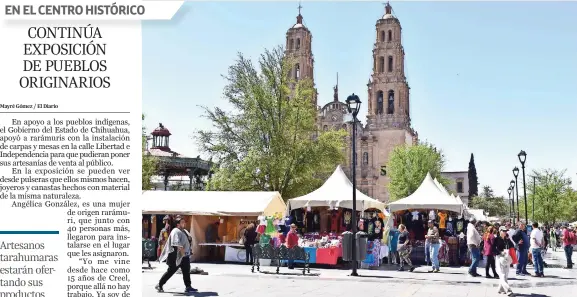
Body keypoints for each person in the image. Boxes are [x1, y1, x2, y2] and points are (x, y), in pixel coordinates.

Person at [156, 218, 197, 293]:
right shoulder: (175, 231)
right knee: (171, 271)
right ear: (178, 224)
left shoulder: (184, 231)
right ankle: (159, 284)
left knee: (186, 271)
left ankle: (188, 286)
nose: (184, 223)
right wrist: (183, 253)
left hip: (184, 255)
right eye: (182, 222)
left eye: (184, 222)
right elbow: (176, 244)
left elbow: (188, 241)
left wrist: (188, 251)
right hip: (176, 255)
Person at [495, 226, 513, 296]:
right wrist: (500, 252)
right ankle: (508, 289)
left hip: (506, 257)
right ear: (500, 231)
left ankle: (500, 289)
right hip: (500, 257)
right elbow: (494, 249)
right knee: (502, 274)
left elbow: (512, 245)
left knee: (506, 274)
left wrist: (509, 239)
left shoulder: (506, 239)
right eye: (504, 231)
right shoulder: (497, 239)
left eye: (506, 231)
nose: (505, 232)